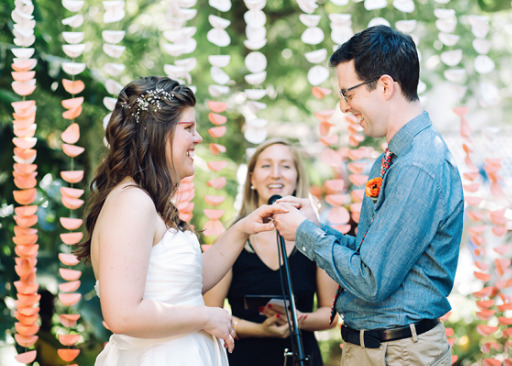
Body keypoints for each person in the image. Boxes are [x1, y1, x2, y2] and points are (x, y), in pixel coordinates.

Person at [273, 25, 464, 365]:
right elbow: (369, 255)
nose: (344, 107)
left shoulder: (418, 165)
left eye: (349, 93)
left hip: (399, 352)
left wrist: (305, 235)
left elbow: (371, 280)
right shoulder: (391, 158)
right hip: (376, 349)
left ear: (386, 86)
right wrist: (314, 225)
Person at [74, 76, 286, 366]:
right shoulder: (131, 202)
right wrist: (207, 316)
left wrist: (243, 229)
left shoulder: (150, 202)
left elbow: (187, 284)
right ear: (156, 133)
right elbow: (121, 314)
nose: (198, 138)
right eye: (188, 129)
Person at [204, 138, 338, 366]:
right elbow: (209, 314)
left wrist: (298, 320)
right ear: (252, 178)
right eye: (266, 165)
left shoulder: (318, 239)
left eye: (285, 166)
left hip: (302, 357)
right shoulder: (231, 240)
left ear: (297, 177)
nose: (276, 174)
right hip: (244, 358)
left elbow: (330, 314)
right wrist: (259, 330)